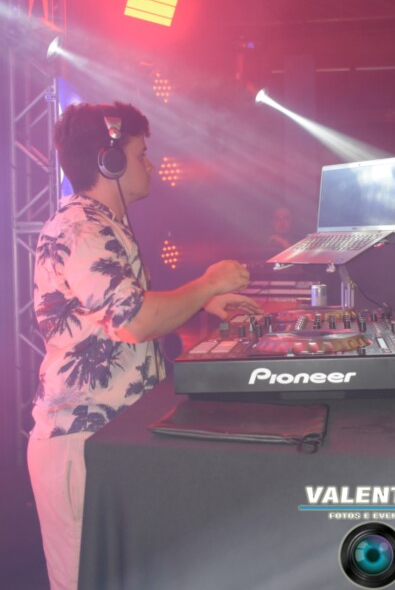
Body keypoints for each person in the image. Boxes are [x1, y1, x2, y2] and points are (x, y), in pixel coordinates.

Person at [27, 101, 261, 590]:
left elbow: (123, 309)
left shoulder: (100, 225)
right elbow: (133, 321)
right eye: (140, 153)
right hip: (81, 443)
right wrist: (208, 283)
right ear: (108, 161)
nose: (150, 164)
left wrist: (201, 302)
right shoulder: (82, 230)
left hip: (107, 440)